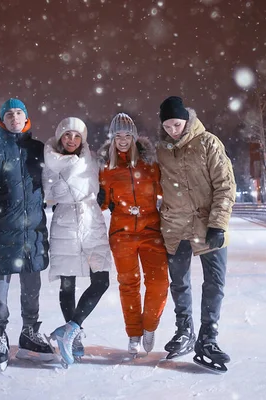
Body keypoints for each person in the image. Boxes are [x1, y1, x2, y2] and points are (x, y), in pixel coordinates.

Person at [0, 98, 54, 370]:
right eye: (9, 114)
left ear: (26, 117)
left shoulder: (39, 149)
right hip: (0, 233)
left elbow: (58, 179)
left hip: (32, 234)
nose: (15, 118)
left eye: (19, 113)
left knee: (32, 287)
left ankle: (29, 332)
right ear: (2, 119)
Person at [156, 96, 236, 372]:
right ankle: (184, 330)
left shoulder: (208, 143)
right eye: (167, 126)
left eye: (176, 124)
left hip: (207, 227)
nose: (172, 130)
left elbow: (225, 185)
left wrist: (218, 224)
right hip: (175, 229)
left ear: (186, 120)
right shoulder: (161, 150)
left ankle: (208, 338)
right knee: (179, 283)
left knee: (214, 283)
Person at [98, 113, 169, 358]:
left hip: (151, 231)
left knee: (159, 283)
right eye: (118, 135)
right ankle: (133, 334)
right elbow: (102, 204)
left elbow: (166, 191)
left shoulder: (150, 164)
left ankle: (149, 325)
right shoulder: (106, 168)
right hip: (122, 234)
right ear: (112, 138)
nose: (123, 140)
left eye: (127, 135)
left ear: (135, 136)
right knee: (129, 286)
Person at [43, 117, 112, 367]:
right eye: (67, 135)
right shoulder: (51, 160)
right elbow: (50, 193)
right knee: (67, 283)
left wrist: (102, 195)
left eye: (76, 136)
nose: (71, 140)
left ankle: (70, 329)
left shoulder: (92, 158)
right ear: (60, 137)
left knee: (101, 279)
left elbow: (101, 182)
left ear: (83, 138)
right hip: (65, 223)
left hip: (92, 220)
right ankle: (74, 338)